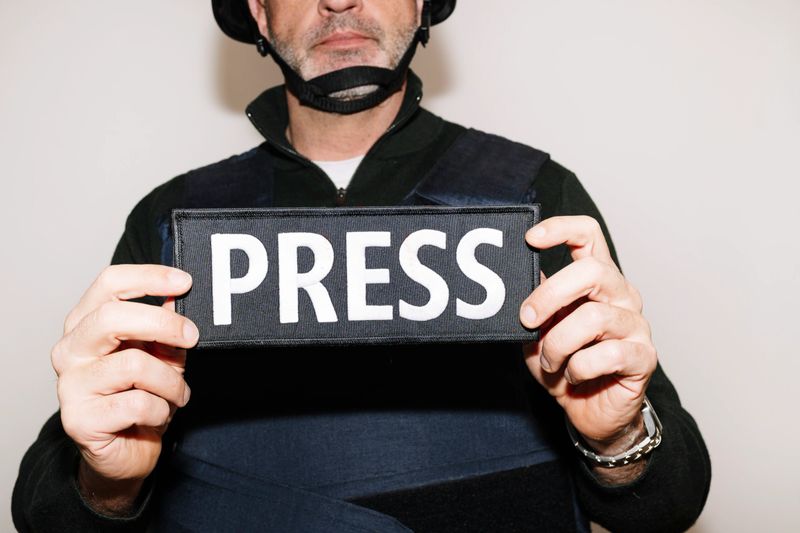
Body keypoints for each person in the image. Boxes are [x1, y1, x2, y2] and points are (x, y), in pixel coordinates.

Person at [13, 1, 711, 531]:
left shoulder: (533, 194)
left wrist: (618, 435)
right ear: (259, 11)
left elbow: (668, 500)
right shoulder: (173, 220)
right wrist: (110, 482)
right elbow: (47, 507)